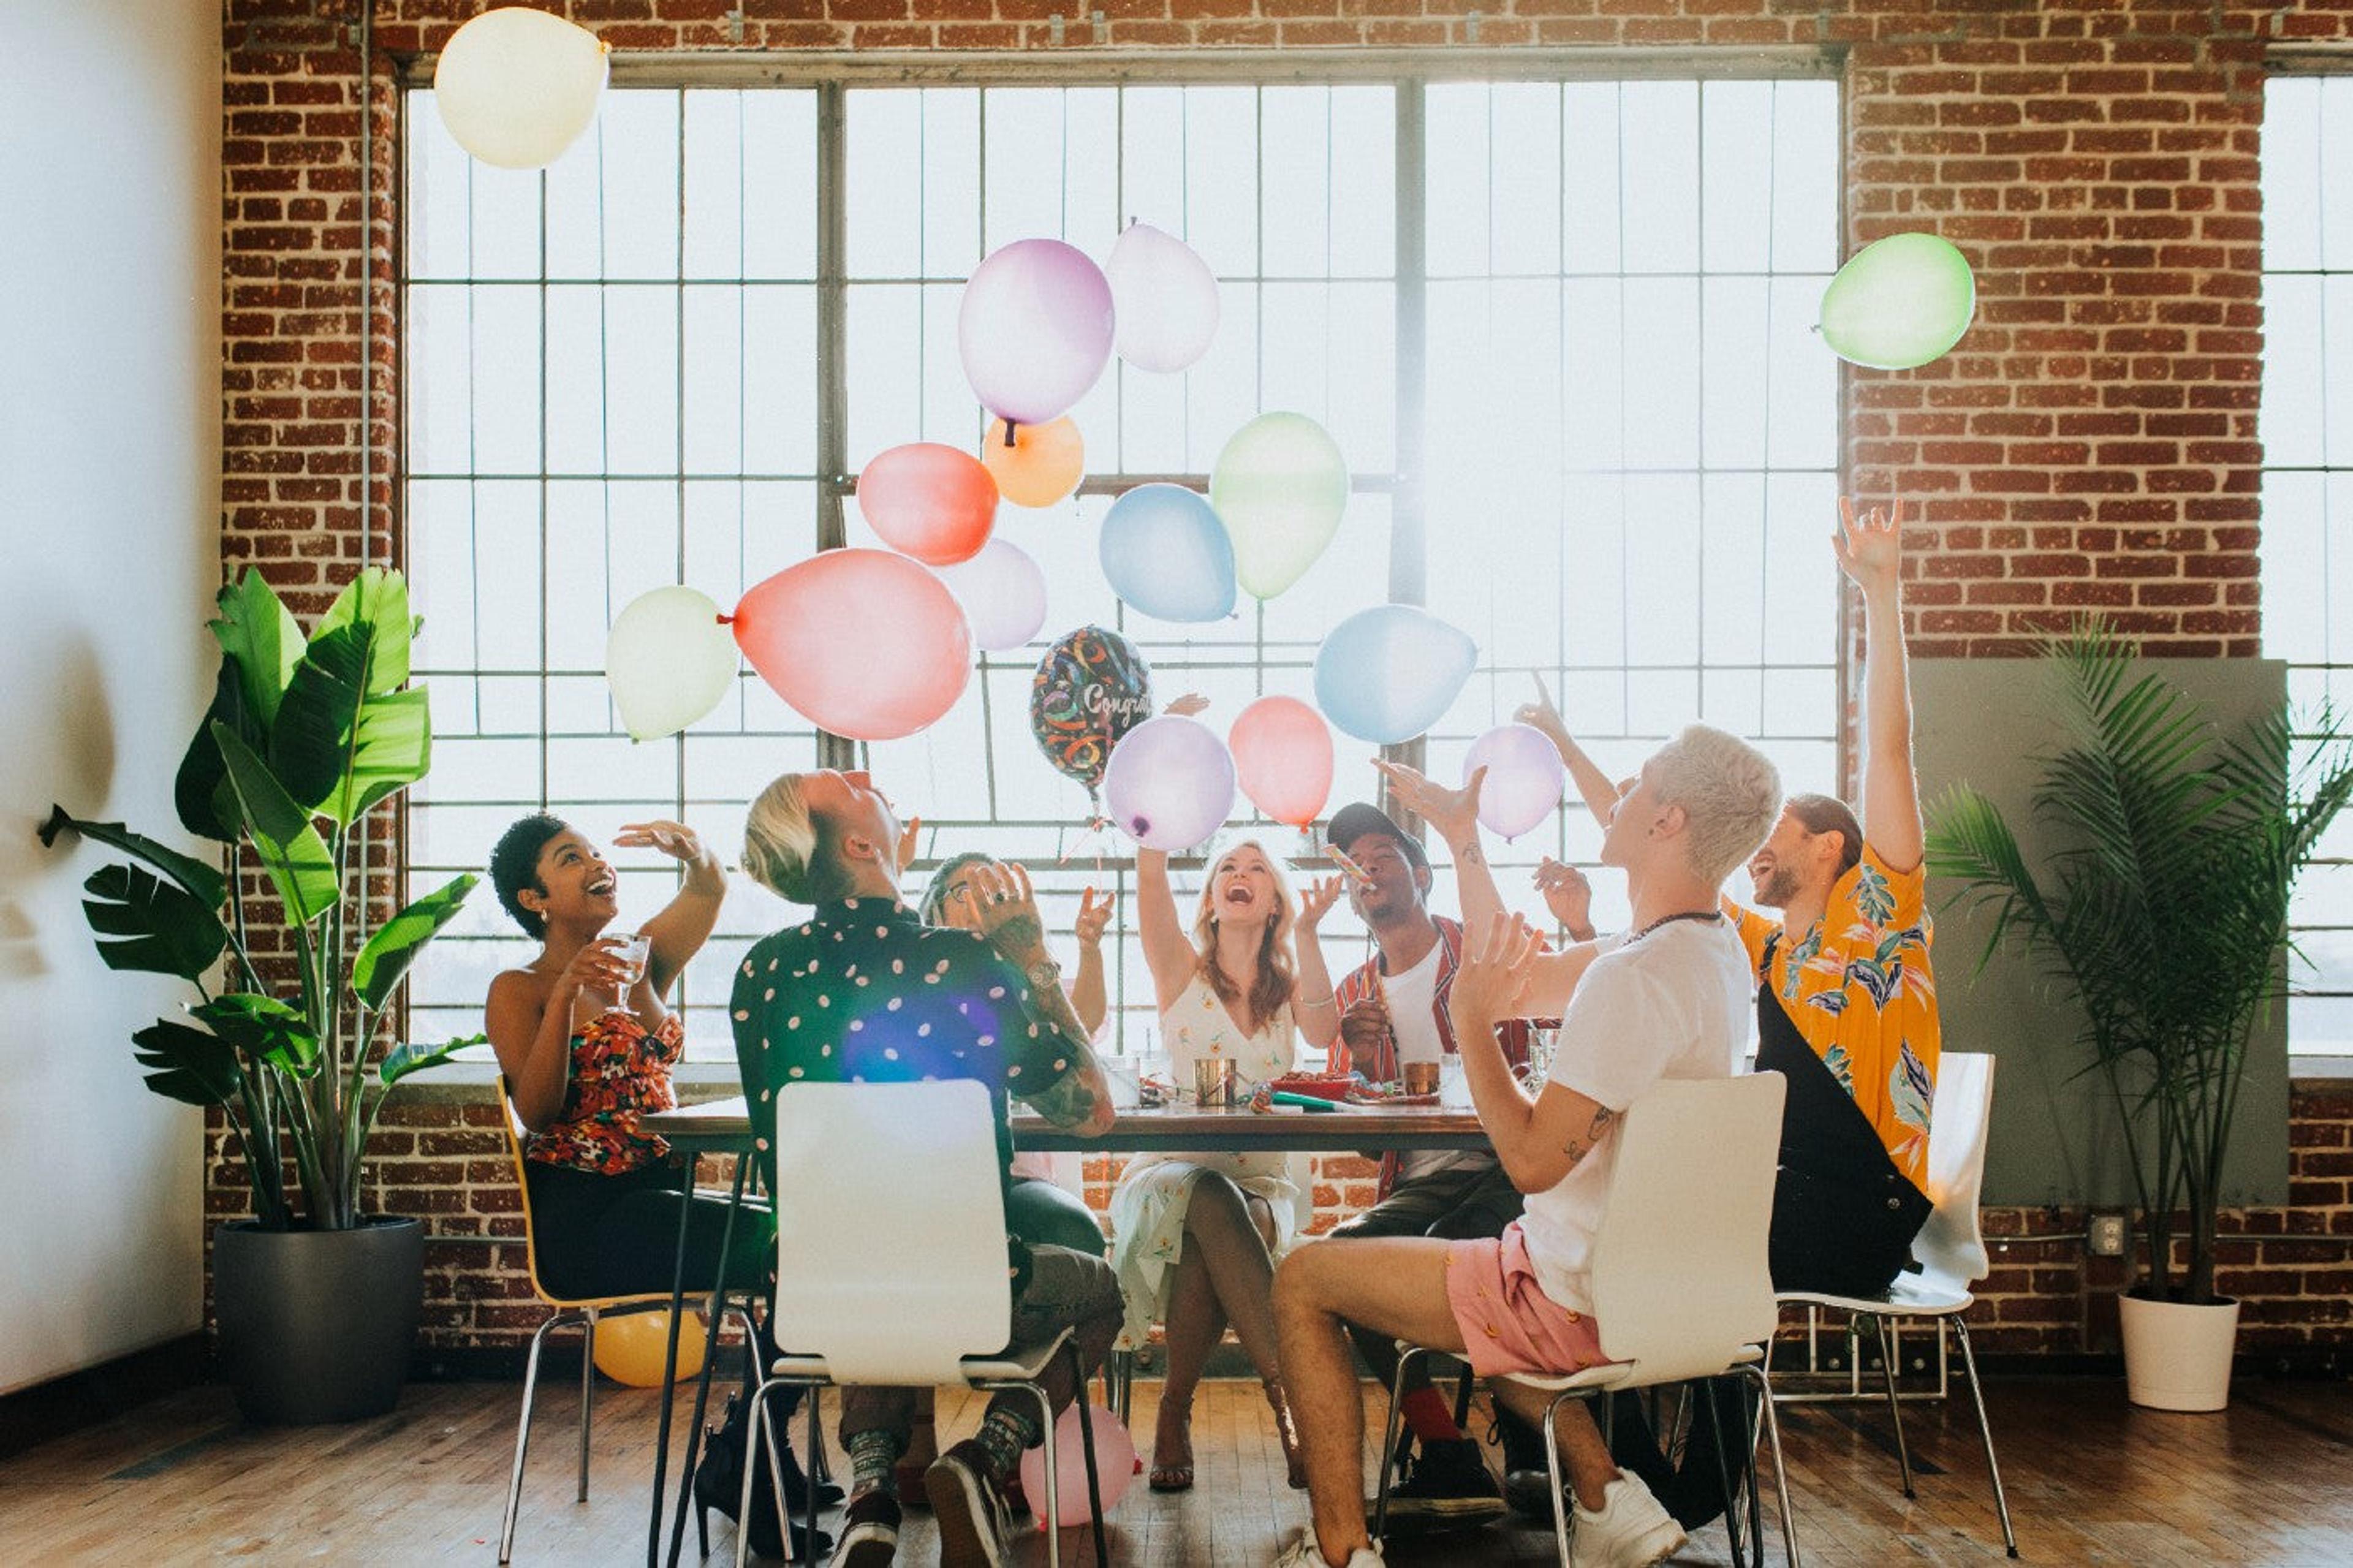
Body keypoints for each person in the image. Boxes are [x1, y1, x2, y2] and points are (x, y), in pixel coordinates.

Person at [1512, 495, 1942, 1532]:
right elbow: (1668, 837)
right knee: (1643, 1217)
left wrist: (1881, 592)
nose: (1758, 849)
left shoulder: (1883, 918)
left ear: (1832, 847)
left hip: (1868, 1206)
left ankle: (1658, 1480)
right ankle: (1618, 1470)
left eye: (1781, 832)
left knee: (1660, 1225)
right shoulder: (1760, 943)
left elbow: (1889, 756)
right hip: (1785, 1187)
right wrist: (1565, 743)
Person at [1271, 724, 1781, 1568]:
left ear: (1669, 821)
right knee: (1483, 1266)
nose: (1620, 785)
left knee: (1303, 1276)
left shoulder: (1632, 976)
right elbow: (1512, 973)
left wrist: (1468, 1022)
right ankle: (1607, 1496)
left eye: (1641, 778)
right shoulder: (1708, 952)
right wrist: (1463, 836)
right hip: (1671, 1290)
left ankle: (1339, 1553)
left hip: (1578, 1298)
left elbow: (1533, 1161)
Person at [731, 768, 1121, 1568]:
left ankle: (872, 1498)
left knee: (870, 1255)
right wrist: (1034, 956)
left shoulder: (761, 973)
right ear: (863, 844)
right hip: (971, 1286)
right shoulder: (962, 963)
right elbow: (1092, 1109)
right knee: (1103, 1292)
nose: (866, 773)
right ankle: (979, 1460)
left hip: (814, 1295)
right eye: (848, 779)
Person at [483, 813, 835, 1556]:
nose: (595, 863)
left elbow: (708, 891)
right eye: (568, 859)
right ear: (534, 898)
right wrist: (566, 997)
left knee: (820, 1243)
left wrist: (696, 853)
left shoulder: (638, 960)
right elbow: (538, 1111)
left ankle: (746, 1450)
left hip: (657, 1196)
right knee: (799, 1257)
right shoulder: (517, 990)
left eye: (595, 852)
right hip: (586, 1221)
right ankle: (749, 1470)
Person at [1305, 801, 1583, 1528]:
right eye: (1351, 859)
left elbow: (1568, 1049)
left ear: (1423, 874)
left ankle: (1538, 1442)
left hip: (1511, 1171)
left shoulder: (1487, 956)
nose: (1363, 866)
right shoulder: (1353, 995)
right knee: (1345, 1261)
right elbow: (1371, 1147)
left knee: (1458, 1254)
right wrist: (1362, 1064)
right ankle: (1447, 1447)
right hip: (1420, 1186)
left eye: (1380, 852)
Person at [1107, 834, 1343, 1493]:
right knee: (1207, 1197)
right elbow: (1151, 877)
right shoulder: (1180, 971)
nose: (1241, 876)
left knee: (1212, 1231)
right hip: (1168, 1171)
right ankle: (1289, 1404)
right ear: (1211, 900)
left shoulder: (1287, 985)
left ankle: (1174, 1409)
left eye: (1258, 869)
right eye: (1227, 870)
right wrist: (1158, 803)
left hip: (1260, 1181)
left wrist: (1313, 933)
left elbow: (1325, 1035)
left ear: (1274, 903)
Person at [890, 855, 1115, 1504]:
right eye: (967, 888)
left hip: (973, 1194)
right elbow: (1094, 1112)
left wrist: (1039, 961)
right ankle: (948, 1441)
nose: (989, 898)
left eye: (1001, 887)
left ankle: (994, 1452)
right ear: (929, 913)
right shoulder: (933, 978)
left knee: (1071, 1232)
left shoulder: (1013, 985)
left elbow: (1088, 1094)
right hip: (924, 1201)